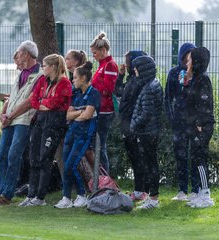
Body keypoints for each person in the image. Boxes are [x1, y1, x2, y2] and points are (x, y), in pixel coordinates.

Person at [0, 40, 44, 206]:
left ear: (26, 54)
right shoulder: (21, 73)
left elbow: (30, 101)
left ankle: (7, 194)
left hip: (23, 120)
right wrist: (3, 113)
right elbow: (12, 97)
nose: (18, 56)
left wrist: (10, 115)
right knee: (1, 156)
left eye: (20, 53)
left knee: (13, 155)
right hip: (10, 119)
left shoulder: (40, 75)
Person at [19, 54, 72, 207]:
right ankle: (31, 195)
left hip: (54, 124)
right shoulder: (42, 80)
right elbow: (34, 100)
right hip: (40, 121)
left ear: (53, 67)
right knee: (33, 158)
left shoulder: (65, 83)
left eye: (45, 65)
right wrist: (44, 104)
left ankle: (40, 197)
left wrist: (45, 103)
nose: (42, 68)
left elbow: (55, 103)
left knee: (45, 159)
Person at [54, 61, 100, 209]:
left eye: (74, 78)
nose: (72, 80)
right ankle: (66, 197)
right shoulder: (76, 93)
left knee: (70, 166)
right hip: (71, 133)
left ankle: (81, 195)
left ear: (83, 78)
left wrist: (78, 114)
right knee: (66, 165)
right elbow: (68, 115)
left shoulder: (93, 93)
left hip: (84, 135)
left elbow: (88, 115)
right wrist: (79, 113)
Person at [164, 43, 198, 201]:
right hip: (178, 122)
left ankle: (196, 190)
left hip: (194, 122)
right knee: (180, 156)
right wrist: (171, 118)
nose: (188, 58)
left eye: (191, 55)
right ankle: (182, 190)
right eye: (186, 55)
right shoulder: (173, 73)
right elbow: (168, 97)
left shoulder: (198, 74)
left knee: (195, 155)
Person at [130, 55, 163, 209]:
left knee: (150, 165)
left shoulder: (149, 88)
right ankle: (151, 196)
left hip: (147, 132)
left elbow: (146, 113)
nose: (135, 73)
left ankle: (154, 198)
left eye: (136, 70)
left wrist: (134, 125)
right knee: (150, 164)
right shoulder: (151, 84)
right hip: (150, 131)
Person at [117, 50, 150, 202]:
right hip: (127, 123)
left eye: (128, 61)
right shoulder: (131, 79)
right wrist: (120, 76)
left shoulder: (140, 81)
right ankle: (141, 189)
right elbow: (119, 91)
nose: (126, 64)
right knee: (135, 157)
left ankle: (141, 190)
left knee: (139, 158)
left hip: (133, 125)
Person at [185, 47, 215, 208]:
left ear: (196, 62)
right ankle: (198, 192)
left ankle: (205, 194)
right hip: (196, 126)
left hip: (202, 126)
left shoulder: (203, 79)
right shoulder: (196, 78)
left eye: (190, 59)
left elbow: (204, 103)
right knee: (196, 159)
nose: (187, 62)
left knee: (200, 160)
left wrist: (199, 124)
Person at [90, 32, 118, 173]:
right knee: (96, 144)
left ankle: (104, 177)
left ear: (103, 50)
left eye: (95, 53)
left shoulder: (110, 66)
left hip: (105, 111)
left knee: (100, 145)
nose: (93, 56)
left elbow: (108, 89)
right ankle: (99, 176)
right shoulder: (102, 66)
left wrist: (91, 88)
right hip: (98, 109)